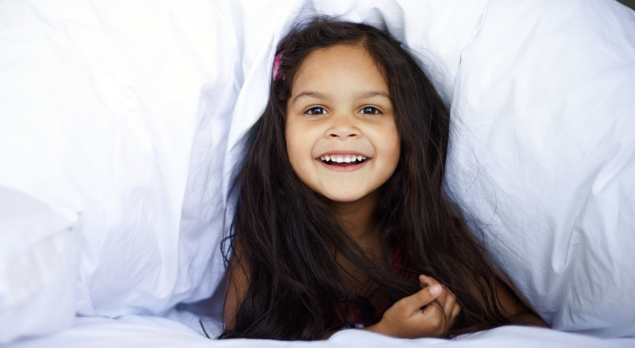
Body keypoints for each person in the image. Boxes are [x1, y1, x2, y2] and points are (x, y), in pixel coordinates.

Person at [219, 18, 547, 341]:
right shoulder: (266, 230)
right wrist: (385, 335)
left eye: (370, 110)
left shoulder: (427, 234)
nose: (343, 128)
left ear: (405, 130)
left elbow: (525, 324)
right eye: (316, 110)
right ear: (282, 129)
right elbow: (245, 336)